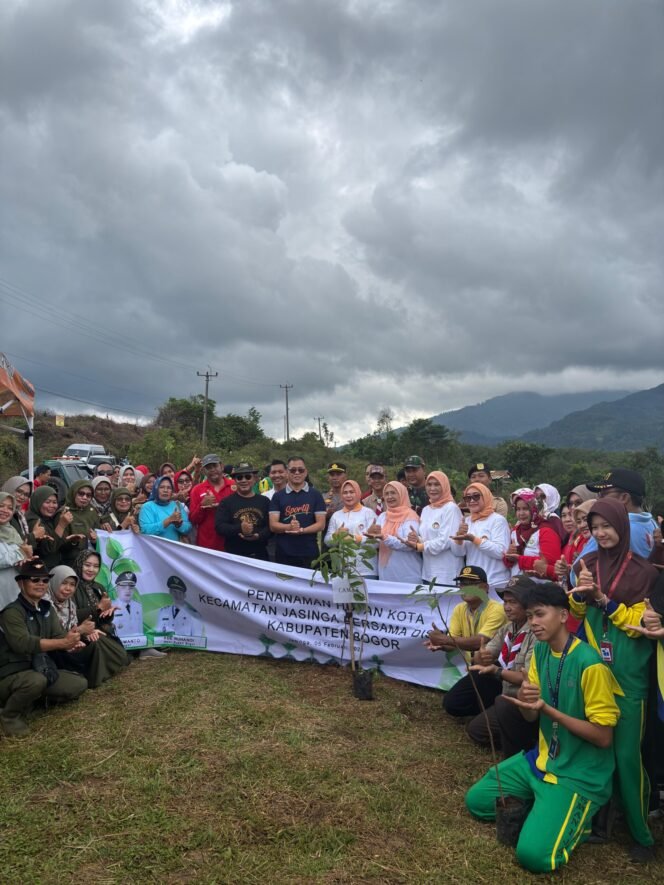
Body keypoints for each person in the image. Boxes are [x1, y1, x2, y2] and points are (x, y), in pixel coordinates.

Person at [465, 582, 621, 874]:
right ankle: (544, 809)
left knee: (533, 857)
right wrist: (525, 703)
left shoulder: (591, 664)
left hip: (579, 773)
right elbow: (530, 718)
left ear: (563, 616)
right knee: (477, 801)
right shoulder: (541, 654)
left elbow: (603, 737)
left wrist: (548, 710)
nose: (534, 622)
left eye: (540, 614)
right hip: (541, 761)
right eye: (531, 616)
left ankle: (580, 817)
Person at [570, 498, 659, 862]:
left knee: (626, 756)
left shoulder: (645, 572)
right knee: (594, 749)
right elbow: (575, 611)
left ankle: (642, 836)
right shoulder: (586, 564)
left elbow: (639, 627)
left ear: (623, 526)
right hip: (594, 669)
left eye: (607, 526)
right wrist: (580, 592)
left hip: (628, 675)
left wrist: (603, 599)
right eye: (594, 528)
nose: (601, 533)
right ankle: (596, 822)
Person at [0, 559, 88, 737]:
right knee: (36, 681)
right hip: (11, 673)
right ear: (21, 583)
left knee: (78, 684)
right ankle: (9, 715)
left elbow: (58, 636)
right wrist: (63, 643)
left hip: (40, 667)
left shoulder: (46, 608)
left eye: (45, 580)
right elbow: (23, 643)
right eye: (35, 579)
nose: (41, 584)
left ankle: (30, 699)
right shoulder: (12, 612)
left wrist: (73, 640)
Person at [466, 576, 538, 756]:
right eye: (505, 601)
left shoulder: (536, 632)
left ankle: (530, 740)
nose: (507, 607)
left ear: (528, 604)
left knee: (501, 706)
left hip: (526, 701)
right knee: (475, 730)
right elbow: (485, 653)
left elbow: (526, 677)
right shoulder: (508, 628)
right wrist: (480, 657)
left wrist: (496, 670)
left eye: (513, 602)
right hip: (506, 693)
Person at [424, 566, 507, 714]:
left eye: (472, 584)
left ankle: (492, 713)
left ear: (486, 587)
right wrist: (442, 645)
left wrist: (444, 639)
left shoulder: (497, 609)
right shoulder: (460, 608)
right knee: (452, 704)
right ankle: (486, 712)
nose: (466, 588)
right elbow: (453, 645)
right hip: (476, 670)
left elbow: (478, 642)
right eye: (463, 584)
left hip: (498, 671)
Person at [46, 566, 129, 688]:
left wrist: (87, 632)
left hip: (73, 641)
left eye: (72, 584)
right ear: (54, 581)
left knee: (98, 638)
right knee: (96, 643)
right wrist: (81, 631)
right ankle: (93, 677)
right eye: (63, 583)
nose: (68, 588)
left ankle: (106, 669)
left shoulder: (70, 602)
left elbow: (73, 625)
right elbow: (53, 634)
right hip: (55, 652)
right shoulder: (45, 605)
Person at [450, 483, 511, 591]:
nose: (472, 500)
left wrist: (474, 540)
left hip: (495, 582)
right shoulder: (467, 521)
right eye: (467, 498)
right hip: (474, 582)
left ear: (486, 496)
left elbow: (500, 552)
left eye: (476, 496)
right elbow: (458, 553)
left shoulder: (498, 520)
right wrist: (459, 538)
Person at [268, 456, 327, 569]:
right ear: (287, 472)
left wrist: (302, 530)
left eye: (300, 470)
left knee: (310, 586)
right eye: (293, 470)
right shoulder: (278, 496)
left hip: (309, 553)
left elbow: (321, 524)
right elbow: (273, 525)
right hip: (284, 553)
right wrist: (289, 527)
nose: (297, 473)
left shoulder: (315, 495)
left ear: (306, 472)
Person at [586, 469, 658, 559]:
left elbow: (579, 566)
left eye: (603, 494)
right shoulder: (652, 523)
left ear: (624, 498)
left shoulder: (615, 528)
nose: (598, 499)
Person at [408, 471, 462, 587]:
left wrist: (420, 546)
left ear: (445, 486)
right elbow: (426, 537)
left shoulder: (451, 508)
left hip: (447, 575)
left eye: (437, 484)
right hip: (428, 573)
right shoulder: (426, 510)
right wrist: (416, 539)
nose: (432, 488)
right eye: (429, 484)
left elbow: (446, 540)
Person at [366, 481, 421, 583]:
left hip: (407, 574)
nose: (389, 496)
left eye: (393, 493)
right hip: (386, 574)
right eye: (386, 494)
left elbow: (408, 545)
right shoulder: (383, 516)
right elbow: (377, 544)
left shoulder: (411, 516)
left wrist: (385, 537)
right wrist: (370, 536)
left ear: (401, 494)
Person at [215, 463, 271, 560]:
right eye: (239, 477)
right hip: (234, 557)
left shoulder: (264, 501)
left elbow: (270, 527)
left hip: (260, 555)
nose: (244, 480)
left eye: (248, 477)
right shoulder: (226, 502)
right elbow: (219, 527)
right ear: (234, 481)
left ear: (255, 479)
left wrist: (258, 536)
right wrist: (240, 528)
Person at [504, 489, 563, 581]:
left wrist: (520, 559)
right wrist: (508, 556)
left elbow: (551, 564)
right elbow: (508, 563)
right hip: (517, 588)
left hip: (540, 588)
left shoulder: (546, 531)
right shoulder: (516, 531)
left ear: (534, 509)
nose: (521, 513)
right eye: (518, 509)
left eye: (525, 509)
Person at [324, 480, 378, 578]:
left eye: (352, 492)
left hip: (367, 570)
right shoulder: (336, 515)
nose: (348, 495)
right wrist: (336, 535)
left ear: (358, 493)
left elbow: (377, 541)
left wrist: (355, 539)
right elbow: (327, 541)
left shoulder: (368, 513)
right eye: (345, 493)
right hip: (344, 570)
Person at [26, 486, 84, 571]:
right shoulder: (33, 521)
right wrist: (61, 525)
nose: (52, 506)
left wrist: (72, 541)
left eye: (54, 502)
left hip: (53, 567)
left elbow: (57, 545)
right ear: (38, 502)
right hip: (40, 572)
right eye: (47, 502)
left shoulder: (47, 519)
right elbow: (49, 548)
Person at [189, 454, 236, 551]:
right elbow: (193, 520)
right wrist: (202, 505)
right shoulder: (197, 490)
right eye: (208, 467)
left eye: (215, 466)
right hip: (207, 546)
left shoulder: (234, 486)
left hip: (231, 543)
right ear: (204, 471)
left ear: (221, 466)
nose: (212, 470)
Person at [0, 492, 33, 609]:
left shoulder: (12, 532)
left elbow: (20, 558)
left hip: (13, 593)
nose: (5, 510)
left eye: (10, 508)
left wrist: (28, 560)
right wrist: (20, 553)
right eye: (1, 506)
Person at [138, 476, 192, 542]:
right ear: (156, 489)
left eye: (169, 488)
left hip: (174, 550)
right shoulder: (147, 507)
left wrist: (179, 525)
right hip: (154, 549)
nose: (165, 490)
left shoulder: (177, 505)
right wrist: (168, 521)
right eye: (161, 487)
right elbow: (145, 530)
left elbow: (188, 528)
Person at [60, 480, 101, 567]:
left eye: (88, 495)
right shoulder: (64, 512)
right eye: (81, 494)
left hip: (91, 564)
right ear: (73, 493)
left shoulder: (93, 512)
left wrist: (95, 541)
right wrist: (73, 542)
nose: (85, 497)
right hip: (69, 563)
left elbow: (100, 542)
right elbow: (58, 545)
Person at [112, 572, 145, 637]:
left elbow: (140, 629)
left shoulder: (138, 606)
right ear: (117, 589)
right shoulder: (111, 606)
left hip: (137, 643)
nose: (128, 590)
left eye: (131, 587)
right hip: (118, 644)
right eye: (123, 587)